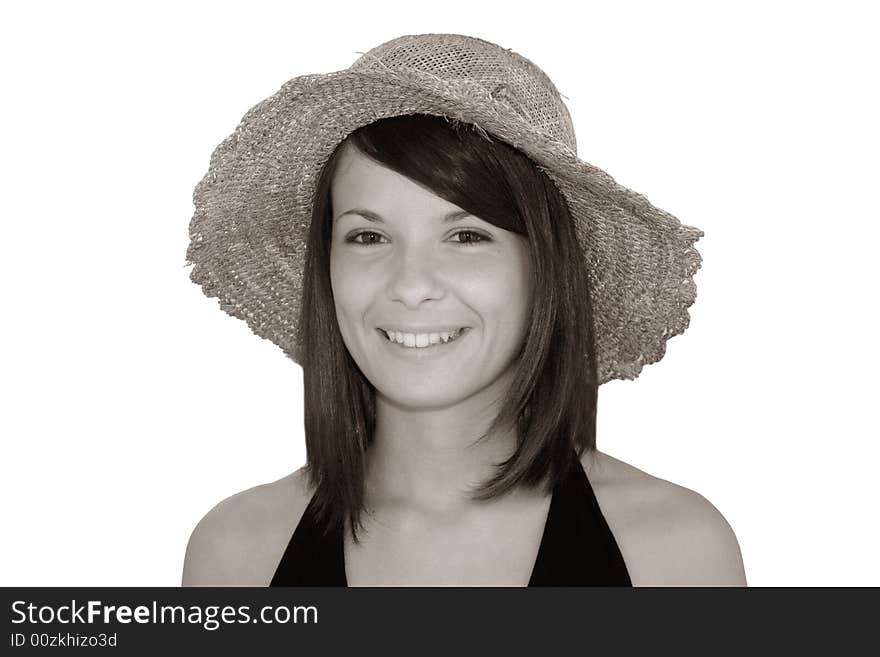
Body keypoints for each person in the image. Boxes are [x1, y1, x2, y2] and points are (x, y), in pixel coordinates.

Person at [181, 34, 746, 586]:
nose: (411, 285)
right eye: (367, 237)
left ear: (545, 266)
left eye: (467, 236)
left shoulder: (673, 553)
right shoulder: (238, 555)